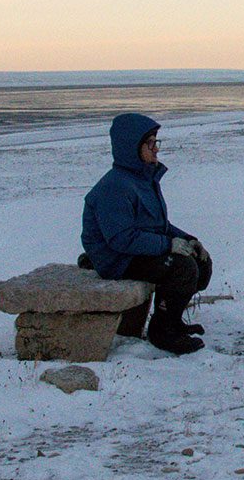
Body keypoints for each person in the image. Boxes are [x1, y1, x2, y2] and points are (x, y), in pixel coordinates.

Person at [80, 113, 212, 355]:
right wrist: (167, 246)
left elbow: (159, 225)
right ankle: (161, 331)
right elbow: (121, 238)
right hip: (116, 258)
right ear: (132, 146)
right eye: (150, 143)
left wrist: (189, 240)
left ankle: (172, 321)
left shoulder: (142, 179)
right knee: (181, 268)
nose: (156, 150)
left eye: (156, 143)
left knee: (200, 262)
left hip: (135, 249)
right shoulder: (115, 187)